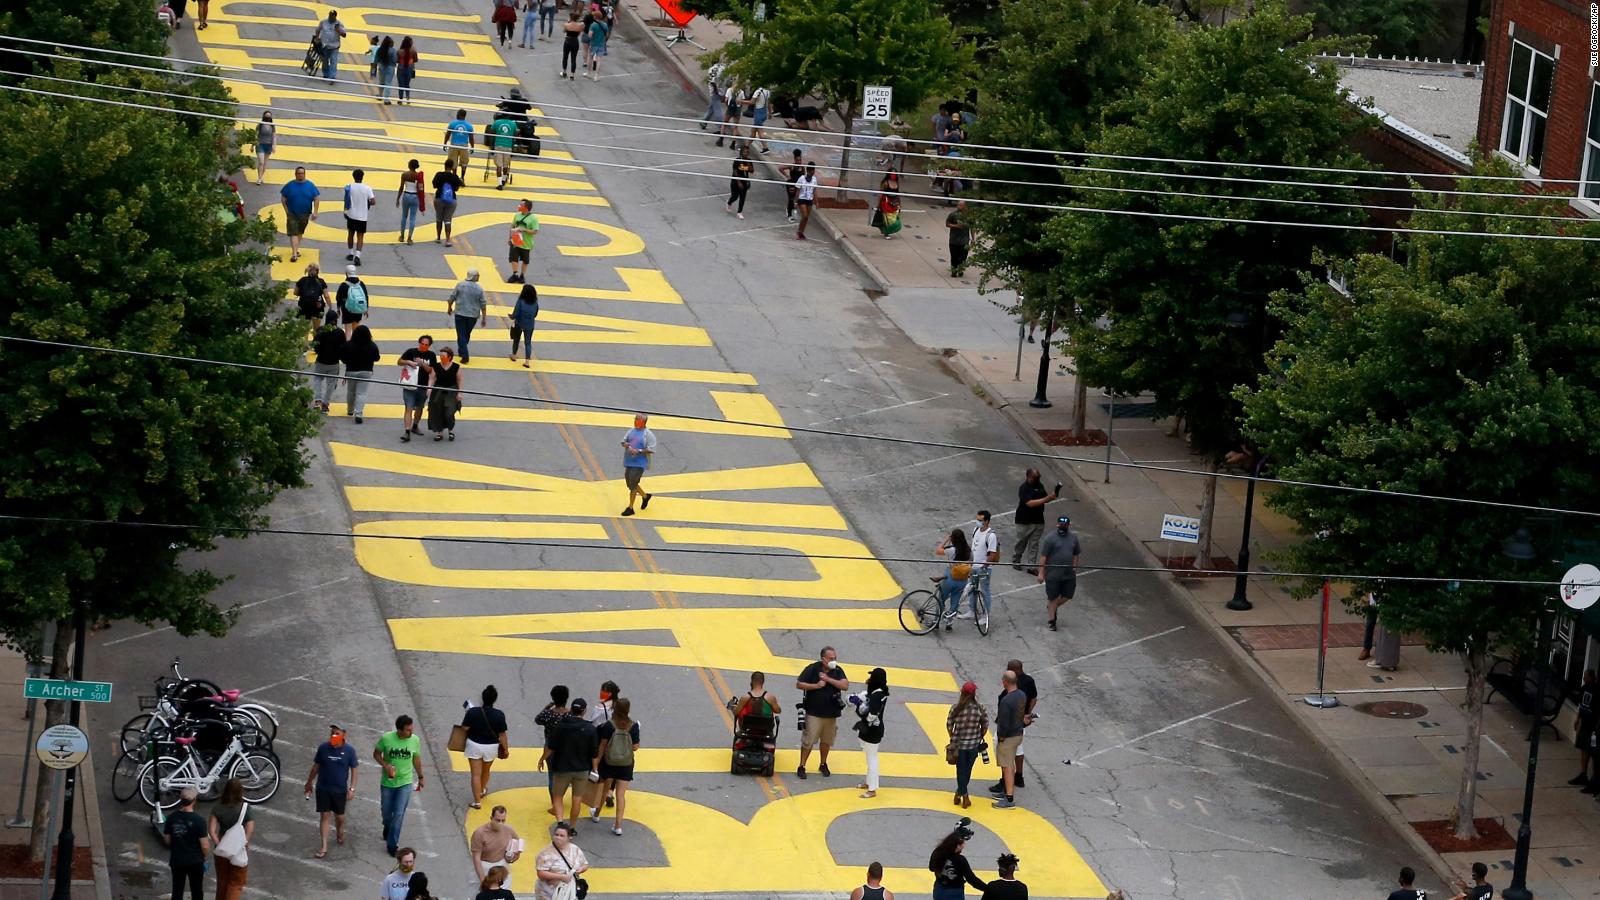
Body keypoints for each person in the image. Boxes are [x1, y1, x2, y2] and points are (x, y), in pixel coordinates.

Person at [375, 714, 426, 858]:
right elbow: (377, 754)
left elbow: (416, 758)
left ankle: (392, 844)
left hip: (405, 781)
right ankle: (387, 826)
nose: (411, 732)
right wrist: (385, 765)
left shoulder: (415, 740)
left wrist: (421, 776)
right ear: (399, 730)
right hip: (388, 782)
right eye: (408, 730)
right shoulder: (386, 738)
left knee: (398, 813)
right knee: (386, 812)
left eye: (412, 729)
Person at [305, 724, 359, 858]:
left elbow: (354, 770)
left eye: (337, 733)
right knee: (324, 816)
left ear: (343, 735)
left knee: (339, 816)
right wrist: (309, 782)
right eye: (332, 733)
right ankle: (324, 846)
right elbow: (316, 767)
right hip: (323, 788)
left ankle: (340, 829)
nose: (333, 736)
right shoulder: (323, 748)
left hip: (339, 791)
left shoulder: (349, 751)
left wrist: (352, 788)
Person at [795, 646, 848, 779]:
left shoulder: (838, 671)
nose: (834, 660)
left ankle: (823, 763)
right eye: (831, 658)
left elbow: (845, 685)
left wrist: (828, 679)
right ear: (823, 659)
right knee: (808, 740)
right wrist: (816, 686)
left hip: (831, 713)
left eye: (835, 658)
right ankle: (802, 765)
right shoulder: (813, 668)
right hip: (813, 712)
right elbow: (799, 684)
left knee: (826, 741)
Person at [548, 700, 599, 829]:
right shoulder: (590, 729)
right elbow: (594, 753)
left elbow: (551, 746)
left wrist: (543, 758)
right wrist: (595, 769)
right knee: (577, 799)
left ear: (571, 709)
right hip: (582, 769)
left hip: (561, 767)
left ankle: (560, 823)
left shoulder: (561, 726)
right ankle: (572, 827)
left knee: (557, 796)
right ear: (584, 711)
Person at [592, 697, 639, 835]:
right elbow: (635, 747)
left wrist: (596, 762)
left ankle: (597, 813)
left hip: (609, 762)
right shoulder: (633, 726)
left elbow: (602, 745)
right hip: (626, 763)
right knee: (621, 795)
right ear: (628, 709)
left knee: (605, 789)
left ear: (615, 709)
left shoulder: (609, 725)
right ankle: (618, 825)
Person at [464, 685, 510, 809]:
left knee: (475, 774)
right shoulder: (499, 715)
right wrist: (505, 749)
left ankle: (477, 801)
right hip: (491, 747)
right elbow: (502, 735)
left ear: (482, 698)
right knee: (486, 770)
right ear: (495, 699)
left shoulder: (472, 712)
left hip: (474, 745)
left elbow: (465, 728)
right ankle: (482, 790)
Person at [208, 778, 254, 900]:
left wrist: (218, 844)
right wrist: (244, 843)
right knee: (236, 882)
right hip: (238, 846)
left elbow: (211, 830)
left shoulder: (218, 807)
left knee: (222, 880)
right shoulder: (245, 808)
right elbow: (249, 829)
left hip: (223, 844)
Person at [996, 660, 1037, 790]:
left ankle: (1005, 783)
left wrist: (1001, 735)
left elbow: (1004, 719)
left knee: (1005, 756)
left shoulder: (1009, 696)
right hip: (1021, 723)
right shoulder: (1029, 682)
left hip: (1010, 726)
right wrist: (1028, 714)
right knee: (1018, 749)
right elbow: (1034, 698)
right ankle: (1019, 776)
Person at [946, 682, 988, 808]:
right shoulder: (980, 708)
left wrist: (953, 737)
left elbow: (949, 725)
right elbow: (985, 726)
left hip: (959, 746)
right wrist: (979, 736)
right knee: (968, 771)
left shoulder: (955, 708)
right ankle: (963, 795)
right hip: (973, 745)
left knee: (960, 770)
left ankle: (961, 794)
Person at [162, 787, 208, 900]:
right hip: (195, 861)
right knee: (197, 890)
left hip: (177, 860)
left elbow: (167, 840)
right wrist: (204, 856)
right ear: (194, 800)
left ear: (180, 799)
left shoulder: (171, 818)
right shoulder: (199, 820)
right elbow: (205, 845)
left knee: (177, 889)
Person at [1011, 469, 1061, 572]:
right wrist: (1046, 499)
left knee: (1034, 544)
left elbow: (1045, 497)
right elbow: (1030, 503)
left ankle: (1031, 566)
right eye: (1036, 477)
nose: (1038, 479)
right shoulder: (1024, 488)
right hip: (1024, 520)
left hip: (1038, 520)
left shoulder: (1039, 485)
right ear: (1029, 477)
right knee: (1021, 542)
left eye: (1038, 477)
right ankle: (1016, 560)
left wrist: (1052, 495)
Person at [1038, 515, 1081, 631]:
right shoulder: (1050, 538)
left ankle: (1052, 606)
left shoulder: (1073, 539)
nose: (1063, 527)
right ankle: (1052, 621)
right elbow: (1043, 556)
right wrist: (1041, 572)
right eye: (1061, 525)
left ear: (1068, 525)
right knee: (1053, 597)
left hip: (1068, 573)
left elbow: (1076, 554)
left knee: (1067, 595)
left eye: (1065, 525)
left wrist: (1074, 568)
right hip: (1053, 574)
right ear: (1057, 525)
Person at [583, 680, 620, 817]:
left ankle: (597, 794)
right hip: (615, 740)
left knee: (599, 764)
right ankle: (610, 791)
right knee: (612, 765)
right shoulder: (618, 706)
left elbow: (593, 723)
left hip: (600, 739)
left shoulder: (600, 707)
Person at [990, 670, 1026, 809]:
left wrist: (1001, 738)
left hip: (1008, 737)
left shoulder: (1006, 700)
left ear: (1005, 682)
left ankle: (1009, 798)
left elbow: (1003, 723)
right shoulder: (1021, 695)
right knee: (1011, 764)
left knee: (1007, 767)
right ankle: (1007, 792)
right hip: (1018, 733)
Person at [852, 668, 889, 798]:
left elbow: (873, 714)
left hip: (872, 730)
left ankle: (872, 789)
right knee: (870, 757)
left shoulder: (876, 695)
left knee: (872, 758)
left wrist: (865, 720)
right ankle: (869, 783)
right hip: (874, 729)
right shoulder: (879, 692)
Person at [929, 819, 986, 899]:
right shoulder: (960, 860)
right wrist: (987, 889)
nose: (964, 845)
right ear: (958, 846)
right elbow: (972, 879)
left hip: (939, 889)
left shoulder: (937, 852)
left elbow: (931, 868)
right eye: (963, 843)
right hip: (955, 892)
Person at [536, 685, 570, 815]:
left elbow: (537, 719)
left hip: (550, 747)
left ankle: (555, 803)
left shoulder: (548, 714)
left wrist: (547, 707)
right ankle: (561, 797)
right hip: (567, 748)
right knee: (565, 775)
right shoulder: (570, 714)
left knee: (552, 776)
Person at [471, 805, 524, 887]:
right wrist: (482, 880)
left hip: (502, 865)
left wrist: (515, 856)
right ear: (491, 818)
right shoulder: (479, 833)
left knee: (504, 893)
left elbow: (518, 843)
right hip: (485, 866)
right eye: (497, 820)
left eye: (503, 820)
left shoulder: (509, 829)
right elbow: (476, 858)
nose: (500, 823)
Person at [534, 822, 589, 900]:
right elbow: (541, 873)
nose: (558, 837)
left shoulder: (575, 849)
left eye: (562, 836)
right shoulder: (545, 852)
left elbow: (585, 864)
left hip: (569, 890)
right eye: (556, 835)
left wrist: (581, 869)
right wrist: (561, 877)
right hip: (548, 892)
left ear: (569, 837)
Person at [397, 334, 435, 441]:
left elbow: (431, 370)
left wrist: (422, 363)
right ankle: (407, 431)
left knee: (420, 407)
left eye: (426, 345)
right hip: (410, 384)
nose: (423, 346)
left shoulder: (431, 355)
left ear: (429, 346)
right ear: (419, 343)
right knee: (408, 408)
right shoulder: (411, 352)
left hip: (423, 385)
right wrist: (408, 362)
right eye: (422, 344)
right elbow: (399, 362)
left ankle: (415, 425)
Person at [340, 324, 380, 423]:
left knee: (351, 391)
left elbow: (343, 358)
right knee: (361, 393)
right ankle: (358, 413)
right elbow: (377, 358)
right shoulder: (372, 345)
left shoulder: (348, 345)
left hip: (351, 371)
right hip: (366, 371)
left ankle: (350, 410)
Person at [446, 270, 488, 364]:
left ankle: (464, 354)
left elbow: (451, 298)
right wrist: (484, 318)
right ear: (474, 277)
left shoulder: (460, 285)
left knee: (461, 335)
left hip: (460, 314)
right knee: (466, 334)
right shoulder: (479, 289)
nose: (479, 277)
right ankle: (463, 351)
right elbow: (483, 304)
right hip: (473, 316)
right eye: (478, 275)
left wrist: (449, 308)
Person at [279, 165, 319, 263]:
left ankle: (296, 249)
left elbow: (316, 198)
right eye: (299, 173)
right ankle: (294, 254)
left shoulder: (310, 185)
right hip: (292, 213)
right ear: (295, 174)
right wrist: (286, 210)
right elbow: (283, 198)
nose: (301, 175)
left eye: (302, 173)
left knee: (300, 232)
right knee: (293, 232)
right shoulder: (289, 185)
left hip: (305, 213)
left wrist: (315, 212)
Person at [966, 510, 999, 628]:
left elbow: (992, 554)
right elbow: (973, 547)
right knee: (971, 588)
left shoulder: (991, 535)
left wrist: (984, 566)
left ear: (987, 521)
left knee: (985, 592)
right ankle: (971, 610)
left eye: (980, 520)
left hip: (983, 569)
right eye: (977, 520)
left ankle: (985, 616)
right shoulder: (976, 530)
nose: (978, 522)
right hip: (973, 566)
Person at [619, 413, 656, 516]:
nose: (635, 421)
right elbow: (623, 441)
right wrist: (625, 444)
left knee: (633, 486)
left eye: (637, 420)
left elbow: (651, 449)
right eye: (635, 419)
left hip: (639, 464)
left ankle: (630, 507)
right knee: (630, 484)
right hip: (629, 462)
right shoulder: (631, 431)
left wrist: (639, 451)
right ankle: (645, 496)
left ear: (643, 422)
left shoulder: (648, 434)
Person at [935, 528, 973, 629]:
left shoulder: (952, 550)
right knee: (955, 602)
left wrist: (946, 540)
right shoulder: (968, 550)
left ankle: (936, 621)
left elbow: (938, 551)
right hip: (962, 580)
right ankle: (949, 623)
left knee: (941, 599)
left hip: (950, 578)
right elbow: (971, 563)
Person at [427, 348, 463, 441]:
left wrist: (460, 392)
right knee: (437, 411)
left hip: (451, 391)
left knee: (449, 412)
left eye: (443, 356)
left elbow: (459, 380)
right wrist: (429, 387)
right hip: (438, 390)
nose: (441, 358)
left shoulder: (456, 367)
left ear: (449, 357)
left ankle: (450, 430)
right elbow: (432, 378)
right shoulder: (436, 366)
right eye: (440, 356)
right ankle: (440, 432)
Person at [310, 322, 345, 413]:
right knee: (331, 383)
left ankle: (318, 400)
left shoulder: (320, 330)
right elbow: (343, 346)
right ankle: (325, 403)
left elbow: (315, 345)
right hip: (334, 362)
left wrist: (319, 352)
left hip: (321, 361)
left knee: (317, 380)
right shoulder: (340, 332)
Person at [343, 169, 376, 266]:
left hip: (351, 214)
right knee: (360, 236)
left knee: (350, 234)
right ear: (363, 176)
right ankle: (357, 255)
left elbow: (346, 200)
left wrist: (345, 211)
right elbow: (373, 201)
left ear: (353, 177)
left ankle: (350, 253)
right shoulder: (367, 188)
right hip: (362, 215)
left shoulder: (349, 187)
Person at [1573, 670, 1598, 790]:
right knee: (1583, 748)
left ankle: (1594, 779)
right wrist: (1578, 719)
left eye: (1586, 677)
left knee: (1593, 752)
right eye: (1583, 676)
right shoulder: (1584, 688)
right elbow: (1581, 706)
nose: (1584, 678)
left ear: (1592, 678)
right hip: (1584, 723)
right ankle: (1583, 774)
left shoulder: (1596, 690)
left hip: (1593, 727)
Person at [433, 158, 464, 246]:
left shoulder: (439, 175)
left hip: (439, 198)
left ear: (445, 165)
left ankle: (438, 237)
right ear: (452, 167)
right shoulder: (455, 177)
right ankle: (447, 240)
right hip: (451, 200)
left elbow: (434, 185)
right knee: (448, 220)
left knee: (439, 218)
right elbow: (457, 188)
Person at [508, 199, 540, 282]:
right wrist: (510, 238)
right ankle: (515, 274)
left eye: (521, 205)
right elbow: (512, 226)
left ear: (526, 208)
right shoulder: (517, 215)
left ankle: (522, 275)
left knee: (525, 260)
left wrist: (524, 230)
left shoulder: (533, 219)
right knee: (513, 258)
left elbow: (535, 231)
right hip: (516, 240)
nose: (519, 206)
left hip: (526, 243)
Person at [396, 159, 426, 246]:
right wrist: (422, 202)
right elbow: (421, 189)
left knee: (404, 216)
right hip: (415, 196)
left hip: (406, 195)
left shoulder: (404, 175)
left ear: (409, 166)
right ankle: (409, 238)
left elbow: (401, 187)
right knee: (412, 218)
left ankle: (402, 236)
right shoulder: (418, 176)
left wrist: (398, 198)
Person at [335, 265, 370, 338]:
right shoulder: (361, 284)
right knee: (356, 328)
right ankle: (356, 344)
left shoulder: (344, 285)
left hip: (347, 309)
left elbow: (338, 298)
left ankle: (348, 345)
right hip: (358, 308)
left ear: (346, 273)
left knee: (347, 330)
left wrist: (338, 309)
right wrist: (366, 309)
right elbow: (365, 296)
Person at [510, 282, 539, 366]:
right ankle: (527, 361)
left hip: (519, 323)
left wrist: (511, 316)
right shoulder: (535, 302)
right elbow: (535, 313)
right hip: (530, 325)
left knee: (516, 340)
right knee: (528, 342)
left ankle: (514, 355)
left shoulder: (520, 301)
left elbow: (516, 313)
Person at [314, 11, 346, 81]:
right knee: (325, 61)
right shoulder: (323, 22)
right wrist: (317, 38)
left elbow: (344, 35)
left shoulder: (339, 24)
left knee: (333, 61)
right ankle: (326, 74)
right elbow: (317, 30)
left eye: (332, 16)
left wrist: (338, 30)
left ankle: (332, 77)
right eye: (330, 15)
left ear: (335, 16)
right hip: (324, 45)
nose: (330, 17)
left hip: (334, 46)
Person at [444, 109, 476, 177]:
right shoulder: (469, 126)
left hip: (454, 145)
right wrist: (472, 147)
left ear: (458, 114)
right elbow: (471, 138)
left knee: (453, 161)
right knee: (464, 163)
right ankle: (462, 177)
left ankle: (454, 176)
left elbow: (448, 134)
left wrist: (445, 143)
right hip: (464, 145)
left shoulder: (452, 124)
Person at [726, 146, 755, 219]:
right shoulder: (737, 160)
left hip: (745, 181)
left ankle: (739, 212)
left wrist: (748, 163)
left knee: (742, 197)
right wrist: (739, 182)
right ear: (741, 152)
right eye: (744, 152)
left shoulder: (749, 161)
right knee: (735, 196)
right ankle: (729, 202)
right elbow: (735, 172)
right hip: (735, 181)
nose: (746, 153)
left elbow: (752, 171)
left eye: (747, 152)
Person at [873, 170, 902, 238]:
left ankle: (891, 230)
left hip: (895, 203)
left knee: (894, 217)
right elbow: (881, 193)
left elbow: (898, 194)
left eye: (894, 174)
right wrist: (878, 204)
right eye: (892, 174)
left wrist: (899, 203)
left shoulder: (897, 183)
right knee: (887, 218)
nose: (893, 175)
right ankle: (886, 233)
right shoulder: (885, 183)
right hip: (886, 202)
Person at [947, 200, 971, 277]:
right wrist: (955, 226)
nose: (958, 206)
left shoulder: (969, 216)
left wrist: (973, 238)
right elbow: (947, 224)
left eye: (960, 205)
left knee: (963, 256)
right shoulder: (953, 215)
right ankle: (954, 271)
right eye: (958, 205)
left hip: (964, 240)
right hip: (954, 240)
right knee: (954, 257)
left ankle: (960, 270)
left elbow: (972, 227)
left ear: (965, 206)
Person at [745, 84, 772, 153]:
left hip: (758, 114)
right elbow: (769, 104)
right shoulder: (768, 92)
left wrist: (741, 101)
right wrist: (770, 113)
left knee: (760, 131)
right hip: (764, 113)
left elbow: (752, 102)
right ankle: (746, 146)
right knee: (753, 131)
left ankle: (765, 148)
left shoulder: (758, 92)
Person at [795, 164, 818, 240]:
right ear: (808, 171)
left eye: (813, 171)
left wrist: (816, 201)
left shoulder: (814, 179)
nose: (812, 173)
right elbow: (798, 190)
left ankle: (801, 232)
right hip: (802, 199)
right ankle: (798, 231)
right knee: (804, 215)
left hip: (809, 199)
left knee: (806, 217)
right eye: (811, 171)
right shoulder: (801, 178)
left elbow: (814, 191)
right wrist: (796, 201)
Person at [585, 10, 610, 79]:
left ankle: (588, 73)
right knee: (599, 60)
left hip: (593, 44)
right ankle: (596, 75)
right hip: (601, 44)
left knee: (590, 58)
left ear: (595, 17)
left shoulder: (593, 25)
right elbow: (607, 35)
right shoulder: (605, 25)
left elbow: (590, 36)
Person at [702, 61, 726, 130]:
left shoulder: (712, 69)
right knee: (711, 107)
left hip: (715, 91)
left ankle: (721, 125)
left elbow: (713, 82)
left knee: (717, 109)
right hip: (722, 90)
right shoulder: (723, 68)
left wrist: (715, 91)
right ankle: (704, 121)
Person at [560, 10, 583, 79]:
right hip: (575, 41)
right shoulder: (580, 25)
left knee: (565, 57)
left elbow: (564, 31)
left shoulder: (567, 25)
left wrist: (568, 22)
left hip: (567, 41)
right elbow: (579, 33)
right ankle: (572, 75)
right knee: (573, 59)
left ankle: (564, 72)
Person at [253, 111, 274, 185]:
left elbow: (274, 136)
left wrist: (274, 145)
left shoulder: (272, 125)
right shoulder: (260, 125)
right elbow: (255, 135)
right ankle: (259, 178)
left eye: (269, 116)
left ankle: (261, 177)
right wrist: (253, 145)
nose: (268, 117)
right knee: (261, 162)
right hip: (260, 144)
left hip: (268, 145)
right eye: (266, 116)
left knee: (265, 163)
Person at [783, 148, 804, 223]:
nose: (799, 161)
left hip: (797, 186)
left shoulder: (802, 168)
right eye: (798, 160)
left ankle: (790, 209)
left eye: (800, 160)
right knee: (791, 199)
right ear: (795, 160)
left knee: (796, 199)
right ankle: (789, 215)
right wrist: (786, 175)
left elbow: (803, 176)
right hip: (790, 185)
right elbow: (780, 168)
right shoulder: (791, 166)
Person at [396, 37, 418, 104]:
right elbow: (416, 60)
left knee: (401, 84)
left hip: (401, 67)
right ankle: (408, 97)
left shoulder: (399, 51)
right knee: (407, 83)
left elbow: (396, 60)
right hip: (410, 67)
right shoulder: (413, 51)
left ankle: (400, 99)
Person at [376, 36, 398, 103]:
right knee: (388, 83)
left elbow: (377, 58)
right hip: (390, 67)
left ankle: (380, 95)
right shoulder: (393, 50)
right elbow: (395, 60)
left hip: (381, 66)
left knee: (381, 82)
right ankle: (386, 99)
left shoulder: (380, 49)